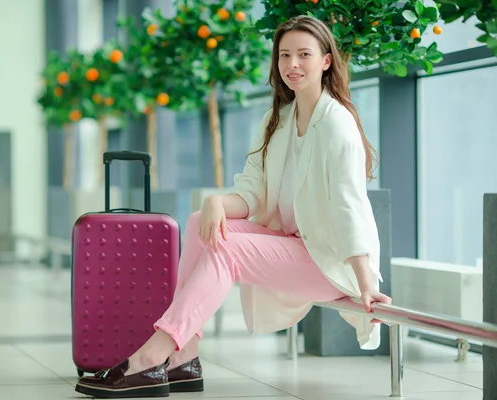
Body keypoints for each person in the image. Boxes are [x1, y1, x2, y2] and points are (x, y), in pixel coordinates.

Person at [75, 15, 393, 399]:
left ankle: (151, 356)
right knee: (198, 222)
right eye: (285, 55)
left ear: (326, 61)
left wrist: (365, 284)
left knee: (225, 247)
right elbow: (252, 193)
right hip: (291, 245)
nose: (292, 65)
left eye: (304, 55)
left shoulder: (337, 124)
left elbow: (349, 206)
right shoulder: (277, 119)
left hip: (329, 260)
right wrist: (216, 203)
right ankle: (184, 358)